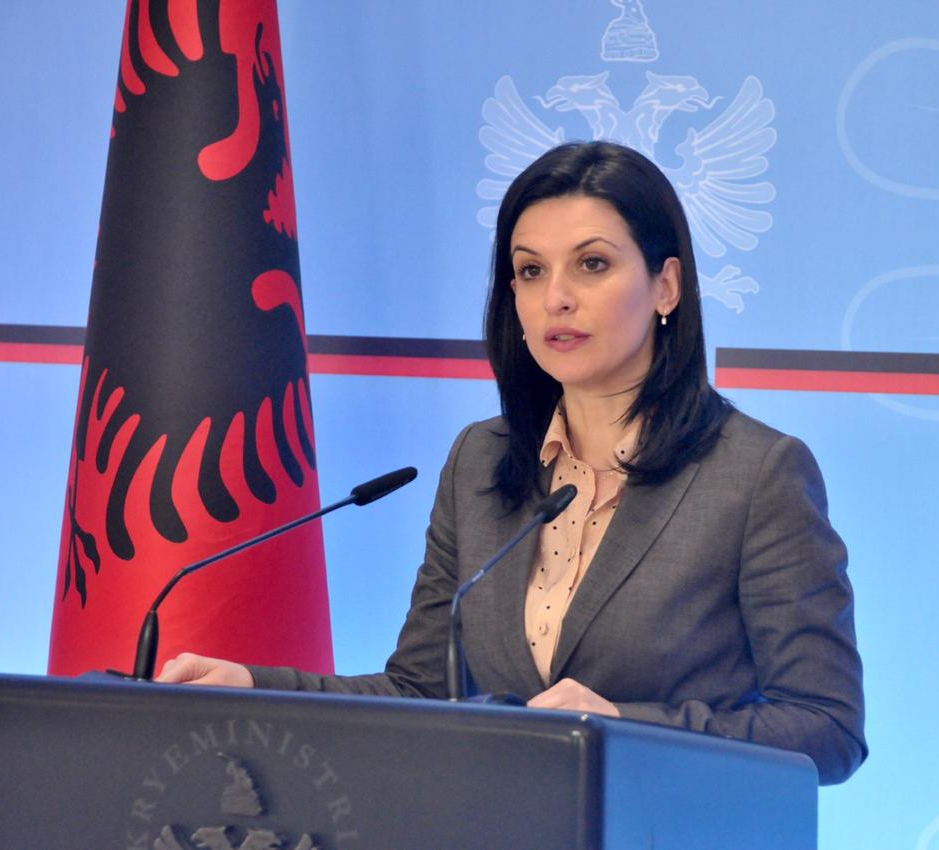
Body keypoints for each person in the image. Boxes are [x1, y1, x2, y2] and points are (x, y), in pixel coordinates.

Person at [158, 141, 867, 784]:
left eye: (592, 264)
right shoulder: (481, 461)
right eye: (530, 271)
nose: (556, 297)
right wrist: (254, 688)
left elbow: (827, 729)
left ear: (666, 287)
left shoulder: (757, 474)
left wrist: (623, 728)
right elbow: (420, 691)